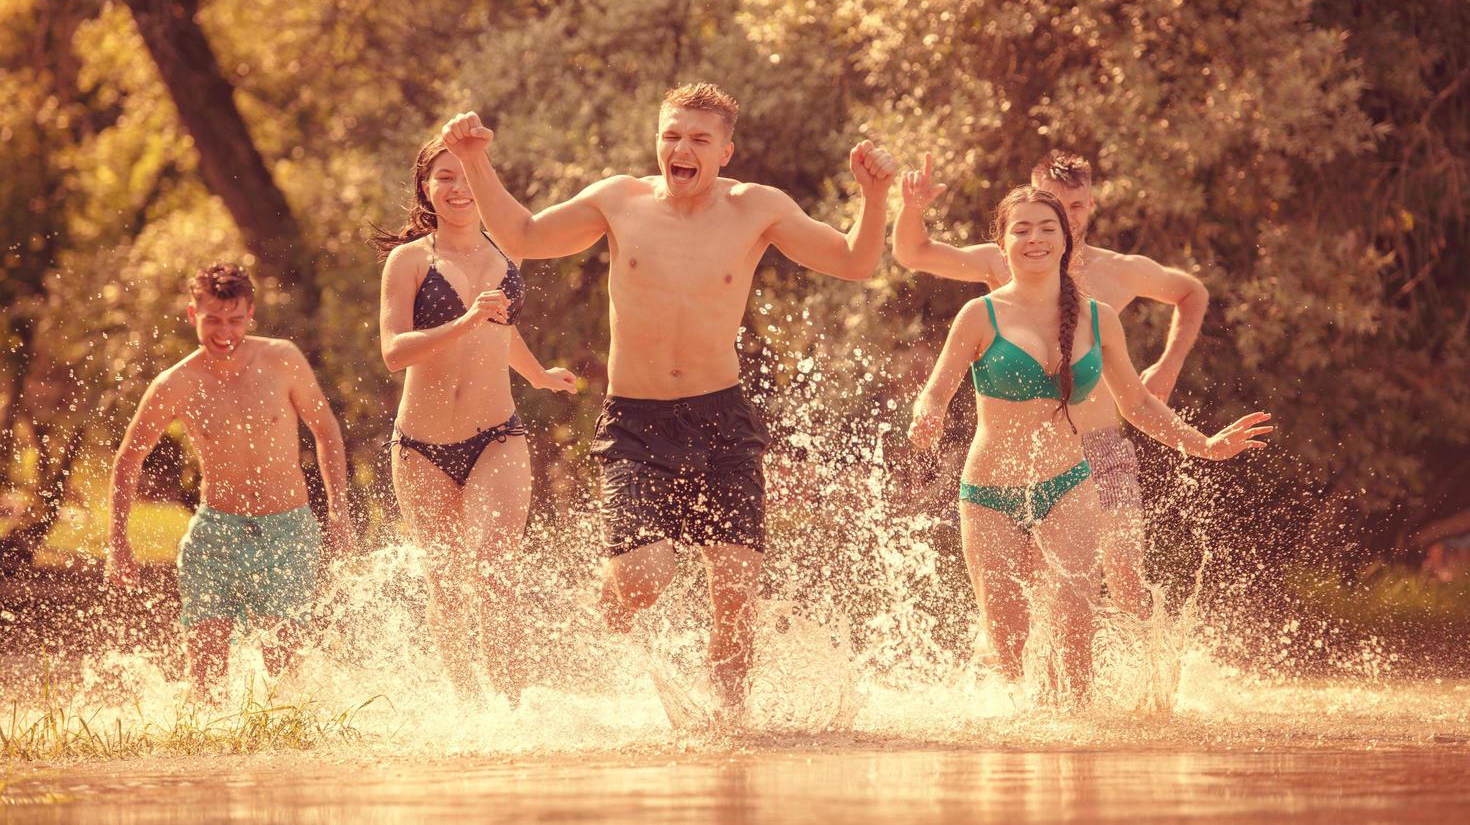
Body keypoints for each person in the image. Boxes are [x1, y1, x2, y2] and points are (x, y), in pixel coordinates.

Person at [439, 82, 899, 714]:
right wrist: (473, 157)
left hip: (722, 416)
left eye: (698, 140)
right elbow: (520, 233)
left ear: (725, 152)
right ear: (658, 140)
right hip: (636, 421)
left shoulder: (756, 208)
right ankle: (586, 647)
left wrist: (874, 198)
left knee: (735, 592)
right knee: (642, 578)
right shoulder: (619, 201)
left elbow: (857, 261)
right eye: (671, 135)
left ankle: (729, 729)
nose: (682, 149)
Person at [907, 187, 1269, 700]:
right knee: (1010, 655)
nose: (1035, 239)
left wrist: (1204, 445)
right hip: (989, 495)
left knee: (1074, 651)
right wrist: (928, 414)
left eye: (1046, 229)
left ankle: (1077, 767)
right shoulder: (979, 316)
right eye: (1021, 229)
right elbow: (936, 391)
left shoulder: (1100, 319)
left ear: (1066, 240)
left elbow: (1138, 406)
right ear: (1002, 242)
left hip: (1070, 487)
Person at [894, 151, 1209, 614]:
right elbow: (913, 253)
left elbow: (1192, 291)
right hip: (1026, 453)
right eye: (1055, 203)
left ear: (1089, 206)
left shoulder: (1120, 270)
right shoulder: (1003, 258)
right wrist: (912, 208)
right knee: (1032, 593)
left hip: (1101, 447)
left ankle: (1136, 680)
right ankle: (1018, 664)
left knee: (1125, 579)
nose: (1067, 217)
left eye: (1076, 206)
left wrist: (1168, 365)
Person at [374, 134, 577, 700]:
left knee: (493, 571)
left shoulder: (506, 250)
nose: (458, 187)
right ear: (425, 188)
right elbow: (394, 352)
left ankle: (510, 707)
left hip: (497, 434)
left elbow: (502, 331)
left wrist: (537, 376)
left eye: (467, 175)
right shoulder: (409, 261)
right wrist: (464, 322)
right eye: (445, 176)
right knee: (446, 583)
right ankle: (468, 705)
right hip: (420, 446)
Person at [106, 263, 351, 698]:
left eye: (235, 320)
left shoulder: (282, 359)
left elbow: (326, 429)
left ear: (251, 314)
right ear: (192, 314)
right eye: (213, 320)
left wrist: (338, 513)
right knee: (206, 680)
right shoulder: (175, 383)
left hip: (287, 530)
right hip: (216, 532)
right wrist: (118, 542)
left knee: (284, 678)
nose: (224, 332)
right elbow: (129, 459)